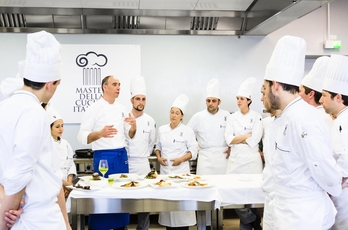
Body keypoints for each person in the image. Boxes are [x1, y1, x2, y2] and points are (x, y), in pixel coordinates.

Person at [263, 35, 342, 229]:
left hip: (304, 215)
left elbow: (322, 165)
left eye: (264, 90)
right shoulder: (285, 116)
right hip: (286, 210)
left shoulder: (302, 118)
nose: (263, 95)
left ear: (275, 86)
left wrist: (335, 184)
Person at [0, 30, 70, 229]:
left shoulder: (4, 107)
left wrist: (4, 197)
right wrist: (3, 220)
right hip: (38, 220)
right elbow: (19, 173)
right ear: (50, 84)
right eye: (57, 84)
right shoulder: (35, 112)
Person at [77, 75, 135, 230]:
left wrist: (133, 127)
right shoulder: (94, 108)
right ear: (105, 87)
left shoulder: (122, 109)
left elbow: (129, 135)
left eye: (119, 84)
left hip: (121, 157)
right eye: (115, 84)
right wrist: (99, 134)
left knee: (122, 193)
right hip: (104, 159)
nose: (118, 88)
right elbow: (81, 136)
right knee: (103, 195)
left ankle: (121, 226)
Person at [224, 77, 263, 230]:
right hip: (236, 160)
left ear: (249, 100)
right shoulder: (232, 117)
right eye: (237, 98)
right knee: (232, 194)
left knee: (253, 195)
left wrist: (238, 139)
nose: (239, 101)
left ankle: (248, 223)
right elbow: (228, 139)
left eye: (242, 99)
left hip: (252, 161)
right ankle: (251, 219)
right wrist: (246, 136)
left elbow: (255, 139)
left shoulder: (256, 116)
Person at [155, 94, 198, 230]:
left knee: (181, 207)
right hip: (166, 172)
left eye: (177, 113)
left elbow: (193, 152)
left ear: (182, 116)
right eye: (171, 112)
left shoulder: (188, 131)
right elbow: (158, 147)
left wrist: (181, 159)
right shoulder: (162, 129)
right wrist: (158, 157)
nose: (173, 115)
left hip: (181, 173)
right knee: (168, 207)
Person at [320, 54, 348, 230]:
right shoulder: (340, 119)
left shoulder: (342, 122)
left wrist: (336, 182)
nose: (321, 100)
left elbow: (344, 157)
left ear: (338, 97)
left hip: (343, 192)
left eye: (324, 95)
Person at [127, 76, 156, 230]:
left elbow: (151, 143)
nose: (141, 102)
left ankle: (142, 228)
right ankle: (123, 227)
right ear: (132, 100)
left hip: (143, 164)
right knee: (124, 199)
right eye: (138, 99)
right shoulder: (123, 117)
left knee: (144, 201)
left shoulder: (151, 121)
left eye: (143, 99)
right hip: (127, 163)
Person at [187, 78, 230, 175]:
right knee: (203, 186)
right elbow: (187, 133)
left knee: (222, 186)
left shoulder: (227, 115)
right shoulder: (198, 116)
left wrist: (231, 148)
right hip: (205, 158)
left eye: (213, 101)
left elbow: (234, 134)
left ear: (219, 102)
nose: (210, 103)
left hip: (223, 158)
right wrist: (193, 147)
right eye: (208, 101)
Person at [259, 83, 281, 230]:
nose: (261, 99)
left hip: (286, 202)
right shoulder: (271, 124)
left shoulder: (294, 121)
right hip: (270, 196)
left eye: (263, 93)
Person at [47, 106, 77, 198]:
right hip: (53, 185)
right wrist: (64, 184)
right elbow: (49, 170)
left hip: (67, 185)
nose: (61, 129)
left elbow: (71, 164)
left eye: (62, 126)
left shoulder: (66, 144)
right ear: (50, 128)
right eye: (57, 127)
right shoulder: (47, 145)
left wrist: (69, 182)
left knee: (66, 211)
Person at [299, 56, 333, 129]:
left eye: (300, 91)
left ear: (311, 94)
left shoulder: (310, 117)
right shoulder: (330, 116)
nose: (298, 95)